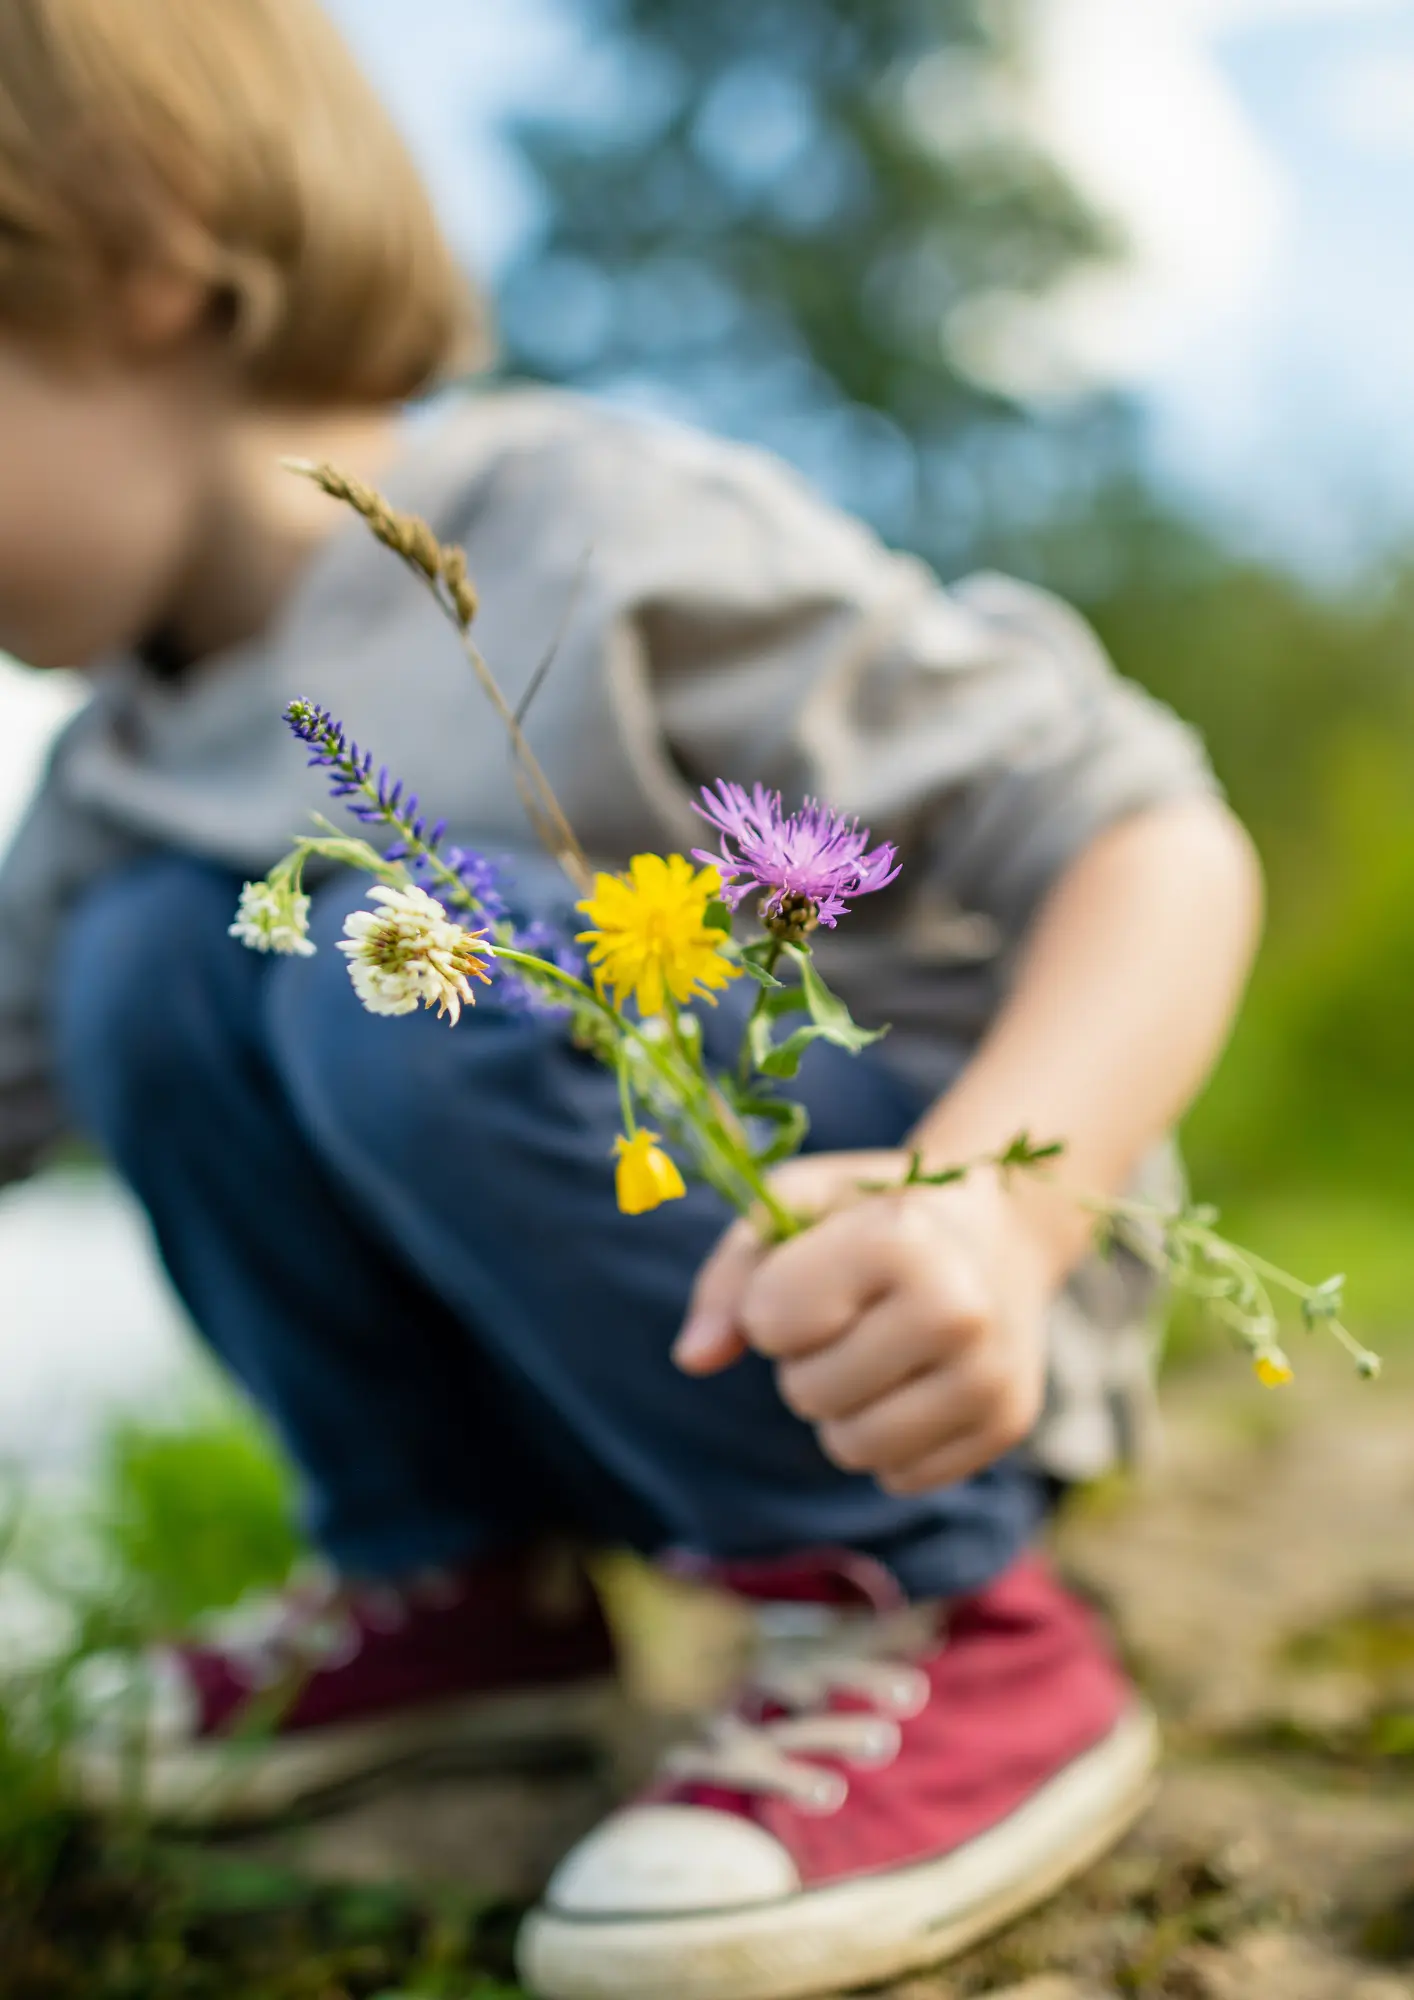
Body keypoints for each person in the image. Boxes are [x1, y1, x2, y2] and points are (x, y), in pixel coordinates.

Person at [0, 3, 1262, 1995]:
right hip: (593, 1351)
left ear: (143, 261)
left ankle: (940, 1615)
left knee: (376, 944)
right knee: (147, 960)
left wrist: (994, 1209)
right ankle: (454, 1580)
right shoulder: (110, 781)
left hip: (891, 1311)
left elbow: (1142, 829)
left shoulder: (590, 525)